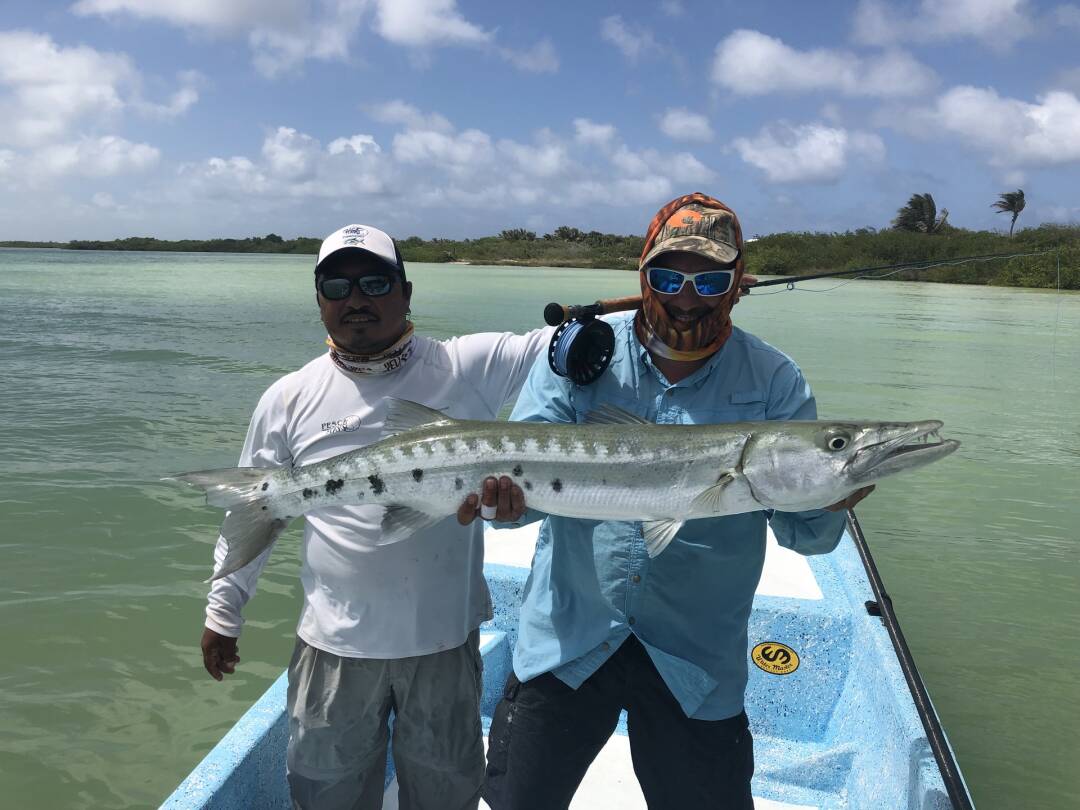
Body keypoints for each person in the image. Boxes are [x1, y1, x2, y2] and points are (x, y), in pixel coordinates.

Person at [481, 193, 875, 810]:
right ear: (644, 274)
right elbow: (525, 499)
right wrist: (502, 506)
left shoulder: (775, 381)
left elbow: (805, 537)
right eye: (668, 276)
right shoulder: (577, 358)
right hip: (570, 637)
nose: (687, 296)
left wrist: (828, 499)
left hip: (695, 656)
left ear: (737, 284)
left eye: (711, 278)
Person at [199, 222, 550, 810]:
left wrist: (683, 296)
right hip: (333, 647)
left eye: (374, 282)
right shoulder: (287, 397)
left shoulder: (464, 367)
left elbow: (558, 339)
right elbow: (251, 510)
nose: (355, 299)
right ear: (319, 302)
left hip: (443, 641)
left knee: (445, 797)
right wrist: (223, 612)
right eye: (336, 286)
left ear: (406, 293)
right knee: (326, 799)